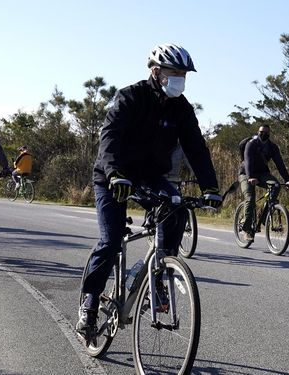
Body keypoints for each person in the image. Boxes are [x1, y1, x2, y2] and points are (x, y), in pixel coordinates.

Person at [76, 43, 222, 338]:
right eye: (174, 72)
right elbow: (110, 137)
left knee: (177, 206)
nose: (180, 78)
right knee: (112, 240)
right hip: (112, 176)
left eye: (183, 73)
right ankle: (89, 304)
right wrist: (115, 173)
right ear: (156, 72)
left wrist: (210, 187)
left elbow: (196, 147)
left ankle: (158, 272)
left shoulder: (182, 108)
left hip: (149, 176)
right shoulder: (131, 97)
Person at [239, 124, 289, 241]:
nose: (263, 134)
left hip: (262, 173)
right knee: (250, 199)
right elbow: (248, 161)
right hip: (246, 174)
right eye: (261, 132)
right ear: (258, 132)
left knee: (276, 185)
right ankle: (247, 230)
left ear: (269, 134)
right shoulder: (251, 144)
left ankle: (265, 216)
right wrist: (250, 177)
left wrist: (287, 180)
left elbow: (280, 164)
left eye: (266, 132)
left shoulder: (272, 147)